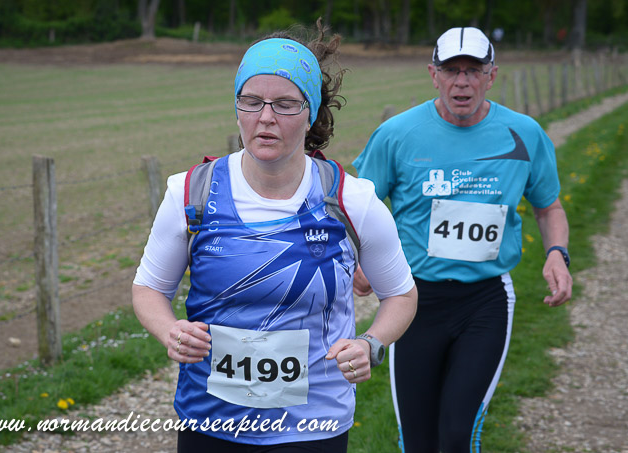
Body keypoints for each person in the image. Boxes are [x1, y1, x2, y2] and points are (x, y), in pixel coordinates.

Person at [132, 21, 417, 452]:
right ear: (237, 108)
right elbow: (149, 289)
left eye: (285, 104)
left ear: (311, 112)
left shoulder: (352, 201)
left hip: (313, 426)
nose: (265, 118)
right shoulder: (190, 193)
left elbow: (401, 295)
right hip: (210, 421)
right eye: (251, 102)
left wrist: (370, 344)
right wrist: (169, 330)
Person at [353, 26, 573, 452]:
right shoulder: (397, 134)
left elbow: (549, 207)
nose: (462, 82)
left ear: (492, 76)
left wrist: (556, 253)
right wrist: (360, 257)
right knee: (418, 440)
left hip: (485, 302)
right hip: (413, 301)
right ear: (432, 74)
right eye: (451, 70)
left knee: (457, 434)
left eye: (473, 71)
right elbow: (360, 209)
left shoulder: (525, 133)